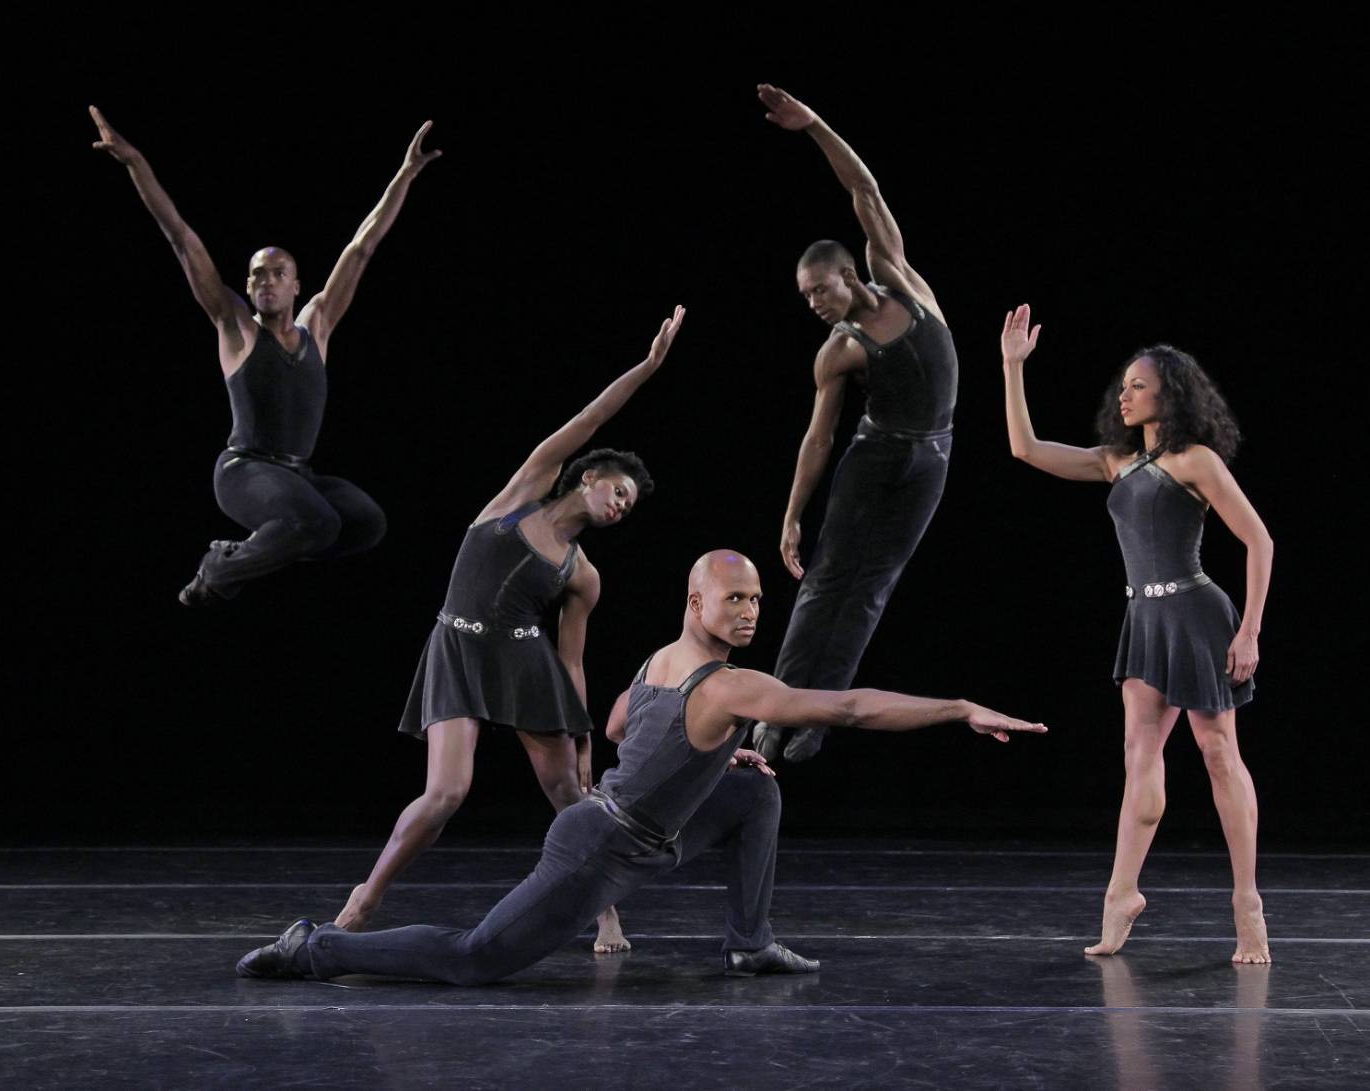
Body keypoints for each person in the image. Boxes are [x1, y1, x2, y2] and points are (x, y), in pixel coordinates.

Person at [237, 550, 1046, 985]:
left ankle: (749, 943)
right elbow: (850, 707)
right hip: (598, 848)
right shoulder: (732, 684)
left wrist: (717, 753)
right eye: (734, 599)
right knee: (474, 957)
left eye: (757, 599)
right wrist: (956, 706)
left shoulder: (666, 658)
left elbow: (625, 724)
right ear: (696, 603)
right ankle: (315, 947)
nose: (750, 610)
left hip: (648, 831)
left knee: (751, 795)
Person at [332, 308, 685, 955]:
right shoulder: (525, 490)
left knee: (569, 793)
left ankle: (605, 914)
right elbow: (592, 418)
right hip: (457, 648)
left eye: (629, 505)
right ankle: (363, 900)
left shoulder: (585, 575)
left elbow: (571, 659)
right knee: (444, 793)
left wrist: (579, 730)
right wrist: (649, 366)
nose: (621, 504)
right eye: (618, 490)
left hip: (526, 664)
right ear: (589, 476)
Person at [999, 304, 1273, 964]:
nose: (1124, 394)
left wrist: (1251, 632)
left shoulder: (1195, 459)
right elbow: (1025, 449)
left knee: (1216, 751)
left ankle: (1247, 905)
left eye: (1137, 385)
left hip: (1199, 614)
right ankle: (1122, 895)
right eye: (1122, 386)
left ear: (1168, 395)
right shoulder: (1116, 462)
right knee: (1139, 754)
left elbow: (1260, 539)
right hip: (1145, 620)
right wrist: (1012, 368)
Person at [88, 107, 440, 605]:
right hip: (243, 471)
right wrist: (136, 163)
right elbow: (182, 240)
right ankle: (218, 570)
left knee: (365, 524)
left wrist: (404, 176)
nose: (266, 281)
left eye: (278, 273)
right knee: (315, 521)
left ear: (296, 285)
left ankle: (252, 549)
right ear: (249, 286)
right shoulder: (235, 326)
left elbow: (362, 247)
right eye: (257, 274)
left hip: (298, 474)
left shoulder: (318, 322)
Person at [749, 85, 959, 764]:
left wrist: (812, 125)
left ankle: (821, 716)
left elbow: (862, 185)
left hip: (930, 457)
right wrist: (791, 514)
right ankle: (775, 708)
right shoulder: (838, 349)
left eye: (818, 289)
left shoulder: (899, 276)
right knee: (828, 577)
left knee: (874, 586)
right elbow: (818, 437)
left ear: (846, 272)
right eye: (804, 296)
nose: (812, 303)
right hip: (873, 456)